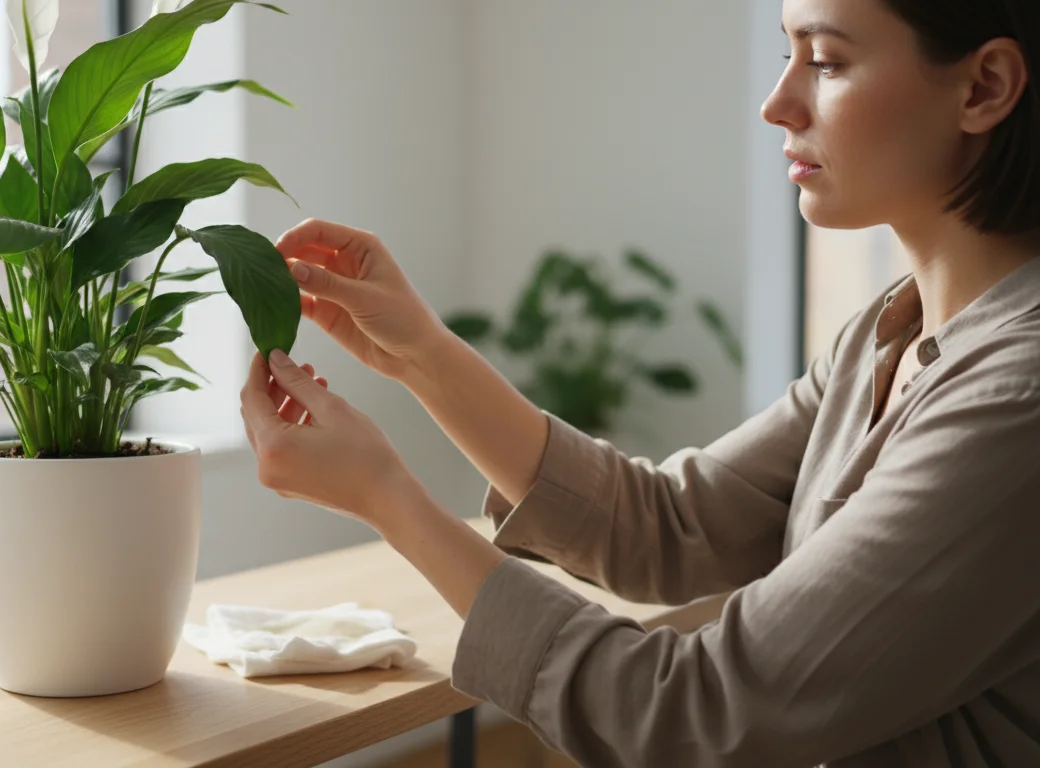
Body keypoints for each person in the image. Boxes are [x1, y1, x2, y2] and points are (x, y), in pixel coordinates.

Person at [237, 0, 1040, 764]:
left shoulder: (1016, 397)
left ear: (985, 87)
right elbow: (671, 525)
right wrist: (420, 353)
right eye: (785, 52)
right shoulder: (887, 333)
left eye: (826, 62)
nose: (776, 103)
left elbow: (699, 710)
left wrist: (388, 498)